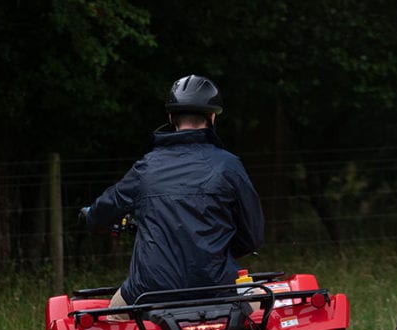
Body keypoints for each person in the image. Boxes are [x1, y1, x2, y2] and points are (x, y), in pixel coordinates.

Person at [81, 74, 264, 309]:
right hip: (218, 288)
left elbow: (102, 212)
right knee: (261, 311)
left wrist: (90, 216)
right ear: (212, 117)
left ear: (170, 118)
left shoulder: (146, 167)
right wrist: (218, 251)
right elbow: (253, 235)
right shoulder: (229, 166)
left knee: (113, 317)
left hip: (149, 292)